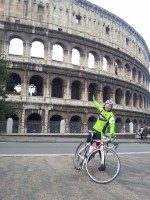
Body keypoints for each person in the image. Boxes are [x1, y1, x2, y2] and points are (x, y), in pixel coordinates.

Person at [86, 95, 115, 171]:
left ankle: (103, 164)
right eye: (106, 105)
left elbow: (112, 126)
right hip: (94, 129)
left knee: (99, 149)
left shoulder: (111, 115)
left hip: (100, 133)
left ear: (111, 107)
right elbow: (98, 106)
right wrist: (94, 101)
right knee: (88, 144)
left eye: (109, 106)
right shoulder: (102, 110)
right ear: (105, 105)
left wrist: (112, 133)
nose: (107, 106)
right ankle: (86, 159)